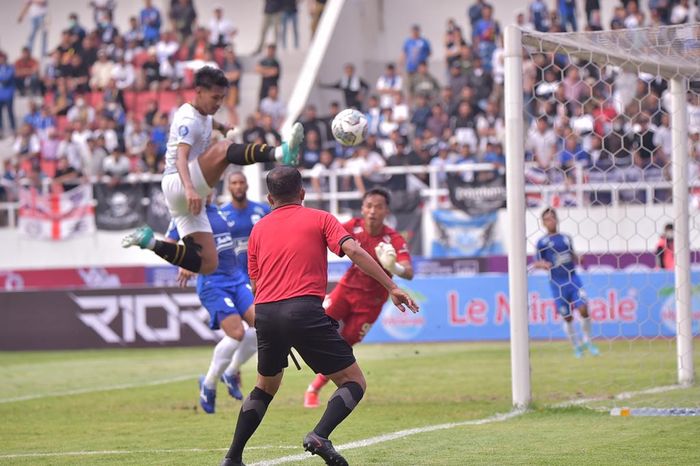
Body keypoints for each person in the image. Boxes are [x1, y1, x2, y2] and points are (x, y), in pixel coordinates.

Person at [219, 167, 419, 466]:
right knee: (353, 381)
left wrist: (275, 325)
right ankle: (320, 435)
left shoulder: (258, 229)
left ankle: (232, 458)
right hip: (303, 310)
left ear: (270, 198)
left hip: (267, 313)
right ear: (302, 193)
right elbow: (354, 250)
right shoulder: (321, 218)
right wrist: (391, 285)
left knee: (265, 386)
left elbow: (256, 283)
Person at [122, 66, 304, 277]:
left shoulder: (203, 115)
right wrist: (190, 188)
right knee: (224, 148)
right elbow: (181, 157)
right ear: (198, 91)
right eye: (215, 97)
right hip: (179, 182)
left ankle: (149, 242)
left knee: (208, 263)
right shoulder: (188, 120)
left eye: (222, 98)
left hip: (183, 197)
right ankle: (282, 153)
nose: (219, 103)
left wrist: (222, 126)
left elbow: (209, 122)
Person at [304, 188, 414, 409]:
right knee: (318, 326)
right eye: (369, 206)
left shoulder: (392, 239)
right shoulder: (351, 227)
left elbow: (409, 272)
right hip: (346, 289)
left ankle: (314, 388)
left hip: (372, 302)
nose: (373, 211)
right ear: (363, 209)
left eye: (378, 206)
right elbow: (321, 239)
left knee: (344, 345)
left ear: (386, 211)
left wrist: (394, 267)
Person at [165, 193, 257, 413]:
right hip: (213, 284)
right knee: (236, 333)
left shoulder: (221, 212)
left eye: (208, 188)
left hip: (237, 278)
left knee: (264, 326)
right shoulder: (185, 216)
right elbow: (168, 244)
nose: (206, 193)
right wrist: (186, 260)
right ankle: (208, 383)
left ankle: (231, 371)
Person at [532, 208, 599, 358]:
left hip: (573, 279)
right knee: (567, 317)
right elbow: (537, 262)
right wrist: (543, 265)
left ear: (557, 220)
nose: (551, 221)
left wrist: (578, 258)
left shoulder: (566, 238)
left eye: (552, 218)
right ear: (543, 223)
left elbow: (571, 253)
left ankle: (588, 342)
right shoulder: (542, 242)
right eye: (547, 219)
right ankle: (576, 346)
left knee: (583, 309)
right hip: (557, 283)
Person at [220, 171, 271, 281]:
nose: (238, 186)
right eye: (234, 183)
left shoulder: (263, 210)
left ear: (247, 186)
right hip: (233, 275)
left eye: (241, 182)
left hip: (260, 273)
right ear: (229, 187)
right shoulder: (221, 214)